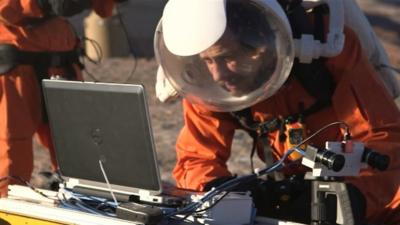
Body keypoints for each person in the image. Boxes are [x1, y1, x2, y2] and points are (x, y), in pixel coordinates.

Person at [154, 0, 400, 224]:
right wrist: (224, 193)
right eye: (207, 61)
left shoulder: (327, 49)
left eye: (227, 57)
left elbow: (386, 143)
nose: (218, 74)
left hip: (374, 204)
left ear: (260, 44)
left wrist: (351, 198)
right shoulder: (213, 86)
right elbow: (197, 159)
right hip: (291, 201)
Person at [0, 0, 118, 197]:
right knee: (12, 153)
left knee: (79, 149)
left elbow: (103, 9)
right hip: (16, 66)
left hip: (63, 60)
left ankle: (82, 204)